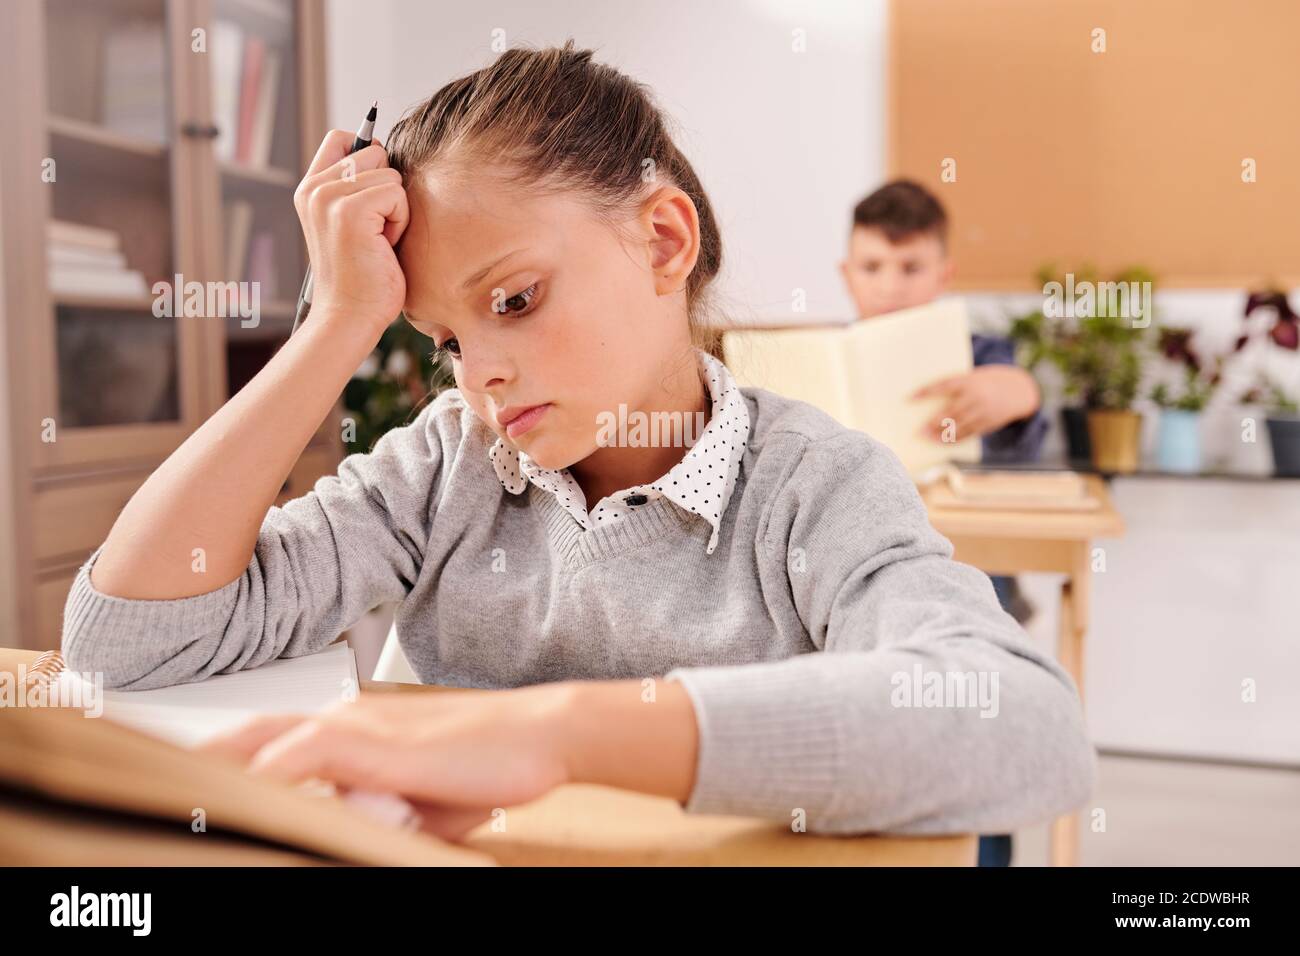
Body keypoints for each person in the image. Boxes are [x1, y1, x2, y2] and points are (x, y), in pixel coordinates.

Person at [63, 43, 1091, 848]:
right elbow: (126, 644)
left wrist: (550, 734)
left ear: (663, 240)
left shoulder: (814, 486)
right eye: (445, 339)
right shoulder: (443, 467)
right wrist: (333, 324)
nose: (479, 374)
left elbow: (1021, 722)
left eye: (514, 299)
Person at [841, 179, 1051, 864]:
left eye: (911, 268)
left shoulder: (980, 354)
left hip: (970, 588)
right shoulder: (826, 356)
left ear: (945, 274)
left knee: (974, 727)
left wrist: (1017, 392)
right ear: (847, 275)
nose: (891, 285)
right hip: (859, 592)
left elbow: (1024, 428)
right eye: (873, 267)